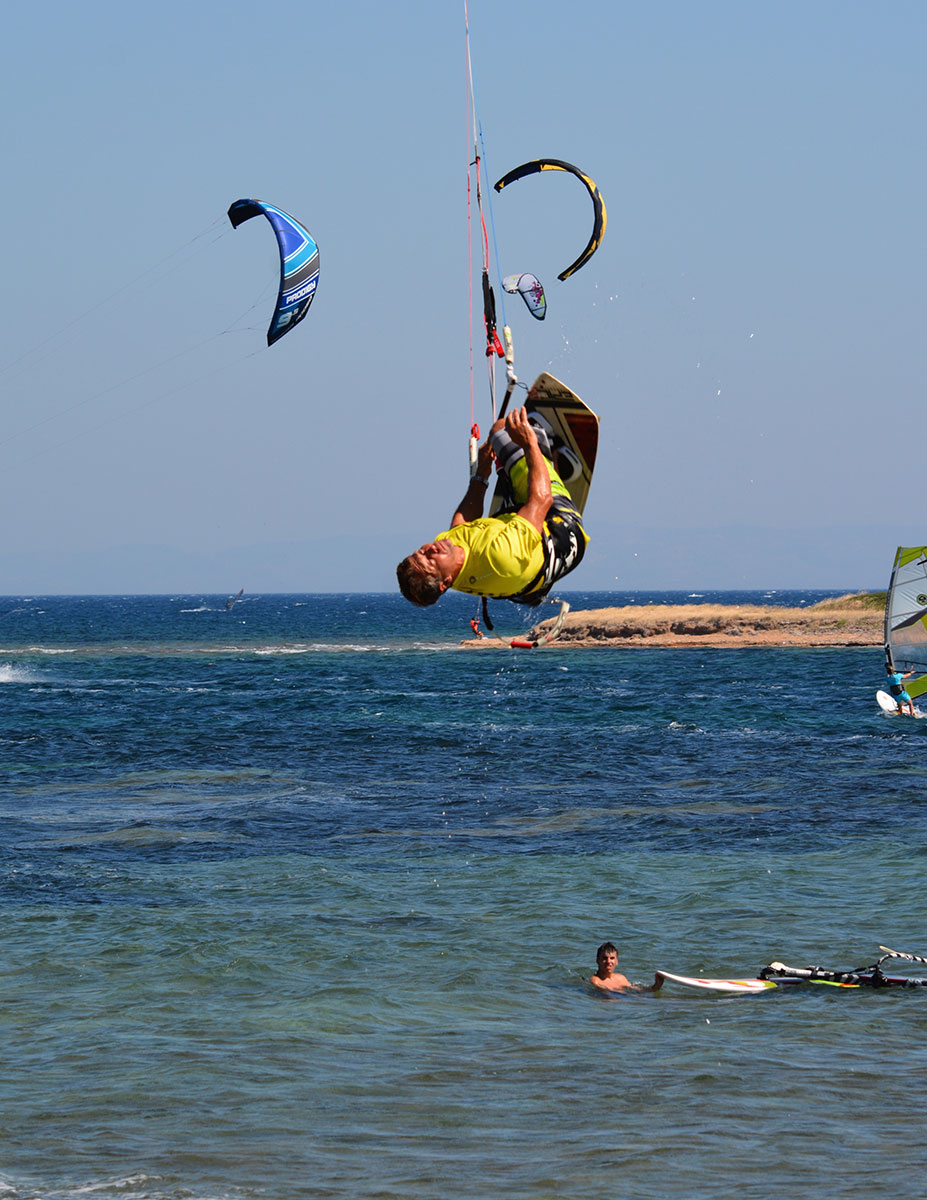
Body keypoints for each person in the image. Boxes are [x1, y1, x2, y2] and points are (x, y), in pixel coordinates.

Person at [396, 406, 587, 607]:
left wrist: (481, 475)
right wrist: (529, 442)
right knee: (501, 430)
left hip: (516, 556)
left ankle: (531, 590)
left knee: (504, 468)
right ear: (445, 582)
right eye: (431, 561)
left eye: (422, 551)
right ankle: (552, 454)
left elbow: (461, 525)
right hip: (559, 529)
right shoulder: (499, 557)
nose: (431, 549)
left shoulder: (445, 549)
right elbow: (541, 498)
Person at [590, 941, 664, 993]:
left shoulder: (621, 978)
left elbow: (637, 991)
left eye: (612, 958)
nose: (609, 961)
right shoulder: (596, 981)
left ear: (617, 961)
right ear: (597, 960)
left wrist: (656, 986)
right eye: (604, 958)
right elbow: (609, 997)